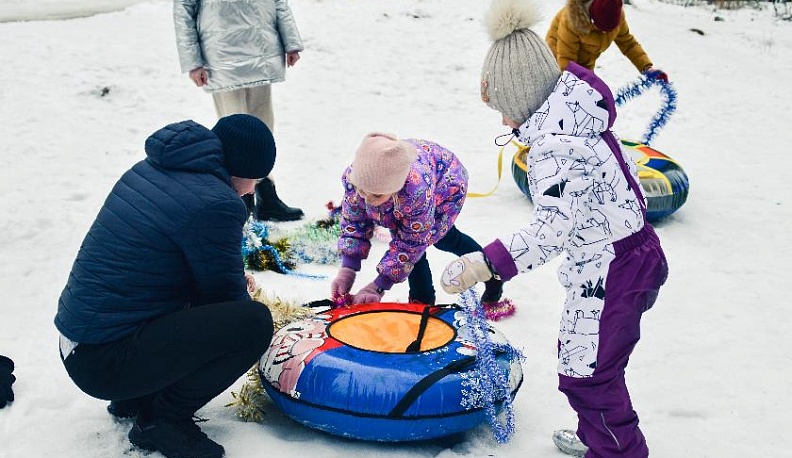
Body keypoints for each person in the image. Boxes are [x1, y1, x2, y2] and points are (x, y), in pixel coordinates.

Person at [442, 1, 668, 456]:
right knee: (584, 362)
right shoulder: (576, 119)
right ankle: (599, 439)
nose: (506, 122)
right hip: (620, 259)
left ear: (523, 97)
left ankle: (618, 452)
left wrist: (483, 264)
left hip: (613, 270)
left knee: (588, 376)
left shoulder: (555, 148)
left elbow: (550, 232)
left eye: (504, 109)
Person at [55, 114, 278, 458]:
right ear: (241, 169)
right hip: (105, 362)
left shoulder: (153, 169)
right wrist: (244, 300)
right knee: (253, 324)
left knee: (219, 314)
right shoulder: (216, 203)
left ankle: (137, 396)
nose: (252, 190)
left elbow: (156, 265)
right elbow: (224, 298)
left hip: (80, 344)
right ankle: (164, 419)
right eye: (255, 180)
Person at [330, 133, 503, 308]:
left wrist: (378, 287)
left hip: (446, 183)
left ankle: (490, 272)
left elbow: (411, 245)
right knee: (411, 244)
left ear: (395, 187)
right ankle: (422, 301)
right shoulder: (358, 179)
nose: (366, 199)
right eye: (362, 190)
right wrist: (348, 269)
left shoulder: (414, 193)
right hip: (409, 181)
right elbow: (355, 222)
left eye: (375, 194)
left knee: (443, 240)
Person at [173, 0, 306, 222]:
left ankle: (265, 195)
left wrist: (290, 41)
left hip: (261, 48)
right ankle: (238, 202)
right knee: (234, 135)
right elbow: (183, 10)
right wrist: (193, 62)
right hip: (222, 55)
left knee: (263, 129)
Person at [545, 0, 668, 81]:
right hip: (557, 58)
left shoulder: (616, 17)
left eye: (609, 30)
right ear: (592, 19)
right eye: (601, 29)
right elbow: (566, 60)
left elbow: (628, 43)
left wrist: (647, 68)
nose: (605, 33)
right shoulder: (572, 20)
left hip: (585, 64)